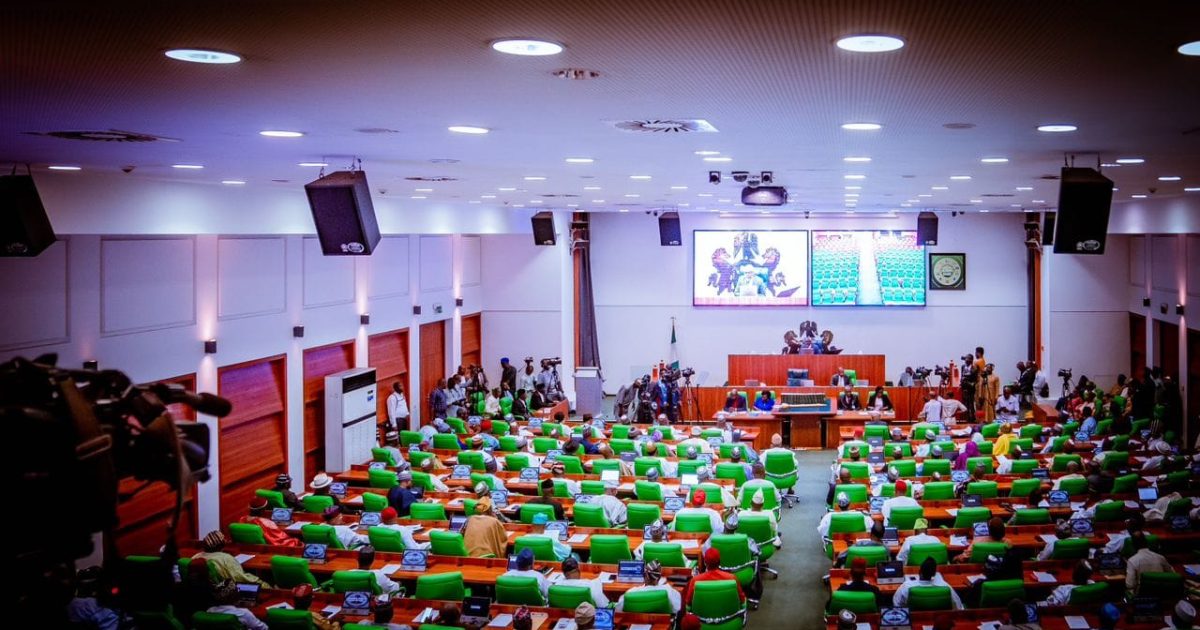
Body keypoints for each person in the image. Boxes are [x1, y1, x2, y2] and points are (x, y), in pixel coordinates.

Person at [193, 531, 270, 587]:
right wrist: (265, 585)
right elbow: (242, 579)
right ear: (222, 545)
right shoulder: (225, 558)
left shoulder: (196, 556)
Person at [893, 557, 964, 610]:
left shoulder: (906, 586)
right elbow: (958, 606)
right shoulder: (945, 586)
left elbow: (896, 604)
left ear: (919, 572)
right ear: (934, 574)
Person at [616, 559, 682, 613]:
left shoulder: (631, 592)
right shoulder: (668, 591)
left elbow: (618, 610)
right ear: (659, 578)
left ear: (644, 575)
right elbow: (677, 609)